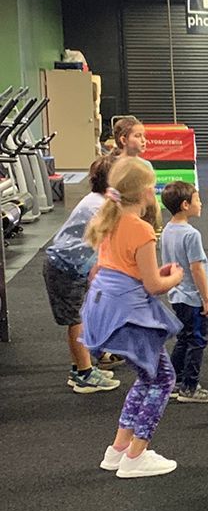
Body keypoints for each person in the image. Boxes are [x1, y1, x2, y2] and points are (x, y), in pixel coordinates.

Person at [81, 157, 184, 478]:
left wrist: (154, 273)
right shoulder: (141, 229)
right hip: (128, 315)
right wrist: (175, 277)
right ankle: (136, 455)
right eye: (152, 186)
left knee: (148, 376)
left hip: (104, 309)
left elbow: (119, 268)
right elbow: (154, 286)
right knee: (164, 379)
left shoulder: (108, 219)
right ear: (143, 192)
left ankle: (118, 449)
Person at [43, 154, 121, 394]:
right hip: (65, 268)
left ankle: (80, 367)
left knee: (81, 318)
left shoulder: (99, 200)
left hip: (74, 267)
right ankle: (84, 374)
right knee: (76, 321)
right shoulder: (99, 206)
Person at [160, 181, 208, 404]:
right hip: (193, 297)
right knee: (197, 341)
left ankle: (174, 381)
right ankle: (190, 387)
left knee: (184, 338)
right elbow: (197, 269)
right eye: (197, 200)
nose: (200, 203)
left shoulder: (166, 230)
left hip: (177, 295)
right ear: (185, 205)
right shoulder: (192, 234)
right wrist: (207, 300)